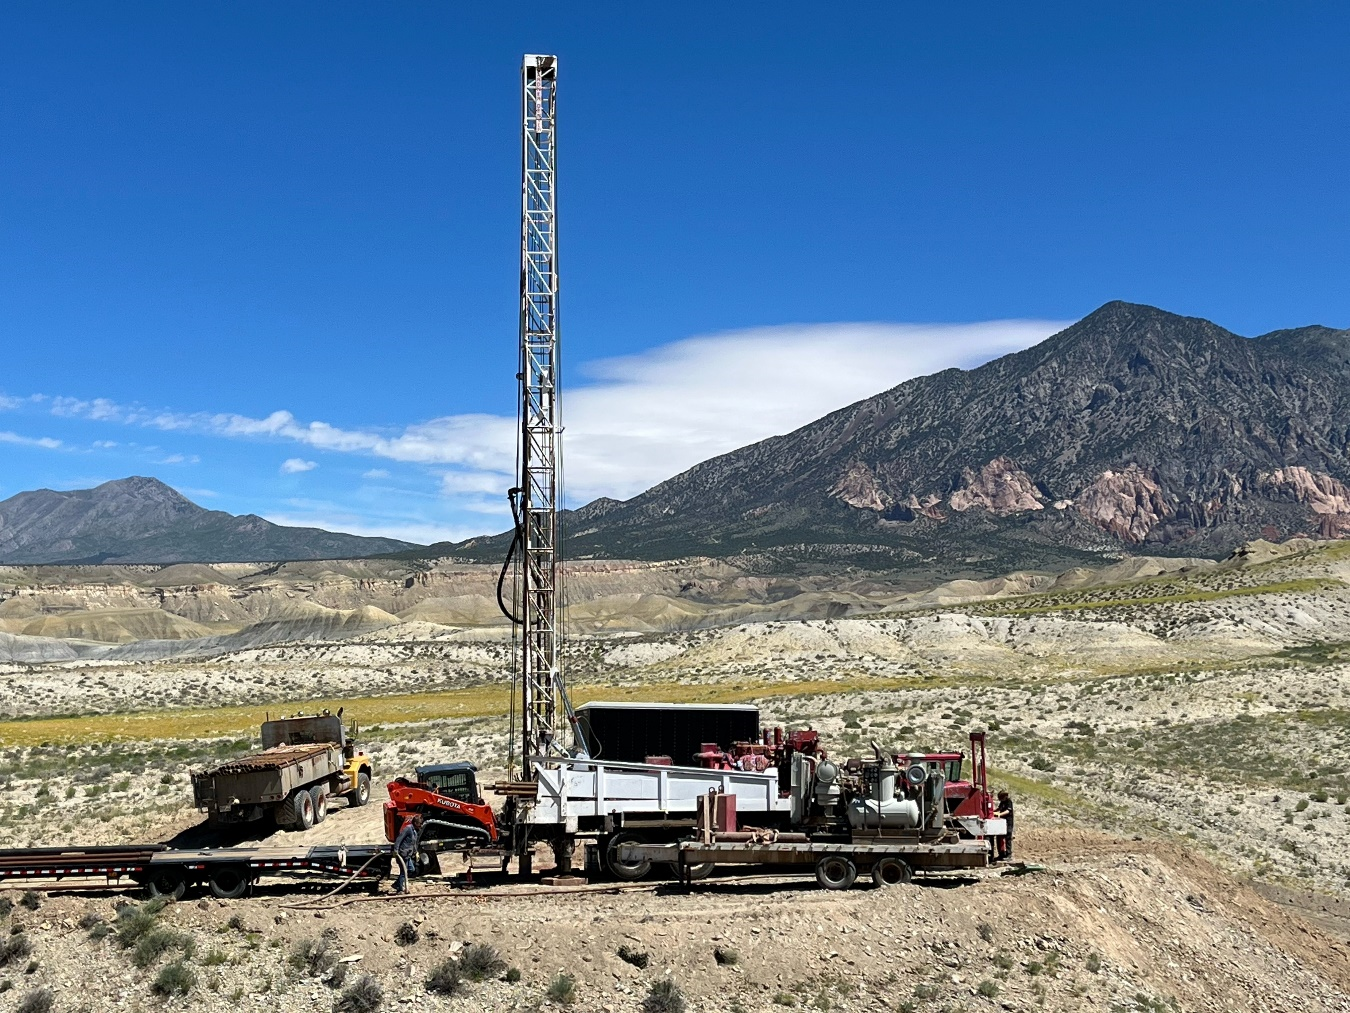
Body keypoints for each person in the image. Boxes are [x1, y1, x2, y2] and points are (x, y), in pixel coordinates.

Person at [393, 814, 423, 893]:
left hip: (408, 855)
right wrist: (396, 850)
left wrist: (416, 852)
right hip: (402, 854)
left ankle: (397, 884)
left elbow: (413, 843)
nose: (421, 825)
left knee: (411, 869)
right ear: (416, 823)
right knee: (404, 872)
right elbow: (399, 839)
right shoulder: (408, 829)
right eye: (420, 824)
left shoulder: (414, 832)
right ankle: (399, 889)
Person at [994, 790, 1015, 861]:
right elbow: (999, 809)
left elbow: (1008, 811)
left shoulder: (1009, 802)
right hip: (1002, 823)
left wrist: (999, 814)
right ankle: (1001, 854)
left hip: (1008, 823)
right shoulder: (1002, 802)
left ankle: (1009, 854)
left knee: (1008, 838)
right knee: (999, 837)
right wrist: (993, 812)